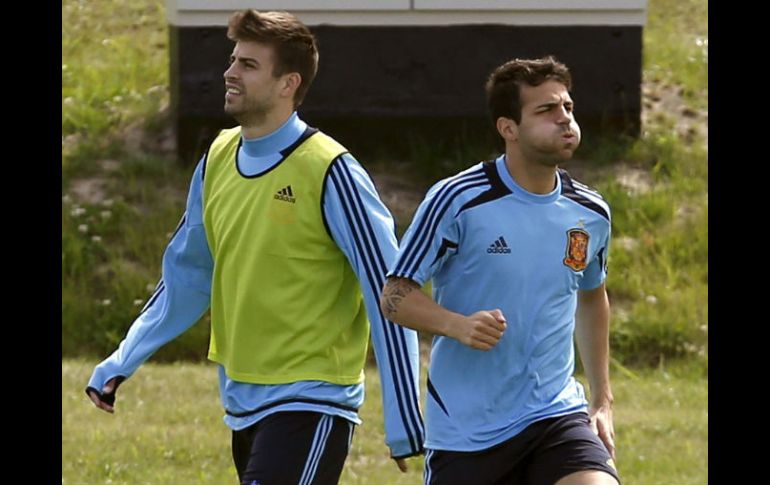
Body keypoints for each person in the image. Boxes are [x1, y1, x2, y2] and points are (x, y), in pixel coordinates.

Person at [86, 9, 424, 484]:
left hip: (313, 400)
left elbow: (389, 290)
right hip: (242, 403)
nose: (229, 72)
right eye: (232, 59)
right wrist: (124, 358)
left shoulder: (332, 171)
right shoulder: (218, 157)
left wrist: (405, 417)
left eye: (248, 64)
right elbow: (188, 274)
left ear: (288, 83)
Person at [381, 56, 619, 485]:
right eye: (546, 111)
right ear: (508, 128)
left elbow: (591, 296)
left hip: (555, 414)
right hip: (466, 431)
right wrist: (456, 325)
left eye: (567, 107)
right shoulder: (457, 199)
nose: (565, 120)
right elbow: (394, 296)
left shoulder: (590, 212)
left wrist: (601, 400)